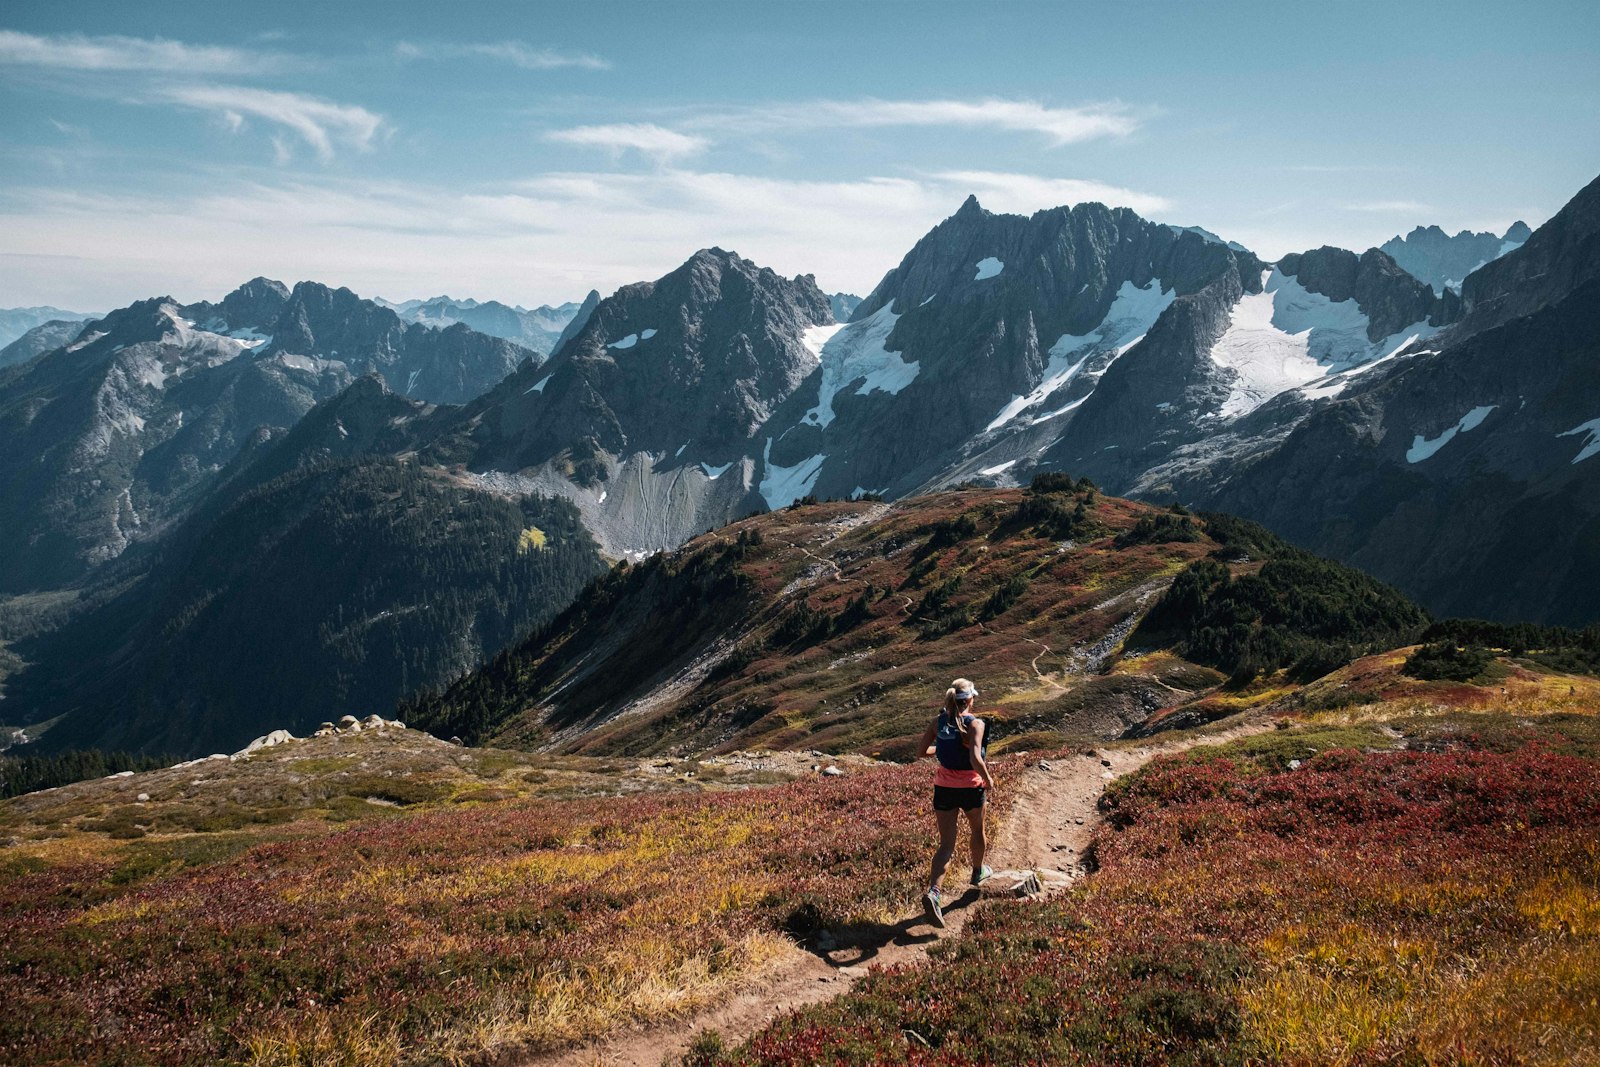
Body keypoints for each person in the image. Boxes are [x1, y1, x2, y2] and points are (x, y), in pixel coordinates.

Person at [917, 677, 995, 928]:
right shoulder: (975, 723)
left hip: (944, 787)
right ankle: (978, 871)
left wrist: (938, 751)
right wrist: (988, 779)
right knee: (977, 830)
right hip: (971, 787)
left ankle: (934, 893)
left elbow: (920, 752)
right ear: (970, 700)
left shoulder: (937, 722)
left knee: (946, 844)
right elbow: (974, 757)